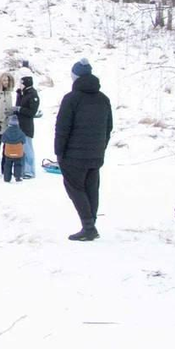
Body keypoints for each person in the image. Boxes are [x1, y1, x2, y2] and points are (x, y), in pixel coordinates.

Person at [55, 58, 114, 241]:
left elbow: (62, 128)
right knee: (91, 188)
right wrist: (101, 148)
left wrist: (59, 152)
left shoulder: (71, 99)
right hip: (95, 154)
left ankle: (88, 227)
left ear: (75, 77)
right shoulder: (103, 99)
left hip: (73, 155)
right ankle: (91, 224)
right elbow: (108, 127)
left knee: (75, 188)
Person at [16, 69, 40, 178]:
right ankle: (24, 169)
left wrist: (20, 109)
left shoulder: (32, 95)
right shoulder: (24, 94)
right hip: (20, 125)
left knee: (27, 149)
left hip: (27, 126)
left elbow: (32, 112)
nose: (19, 85)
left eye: (21, 83)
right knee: (23, 148)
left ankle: (30, 171)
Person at [1, 113, 26, 183]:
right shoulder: (21, 132)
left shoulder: (6, 132)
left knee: (7, 165)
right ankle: (18, 177)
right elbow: (24, 141)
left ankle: (6, 178)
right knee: (18, 164)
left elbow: (3, 140)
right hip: (18, 152)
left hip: (8, 152)